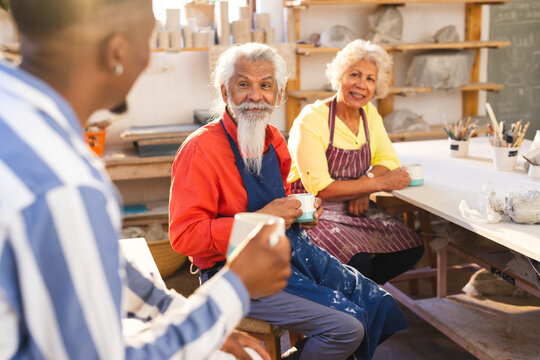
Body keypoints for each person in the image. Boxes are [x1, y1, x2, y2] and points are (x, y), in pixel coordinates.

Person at [0, 1, 292, 359]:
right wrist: (236, 286)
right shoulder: (65, 185)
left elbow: (111, 269)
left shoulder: (13, 110)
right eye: (149, 39)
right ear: (117, 50)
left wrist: (200, 322)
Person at [169, 42, 408, 360]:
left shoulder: (273, 139)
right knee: (347, 327)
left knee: (380, 305)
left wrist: (299, 212)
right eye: (244, 85)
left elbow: (280, 203)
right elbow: (185, 237)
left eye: (265, 85)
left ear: (278, 95)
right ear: (226, 93)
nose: (255, 96)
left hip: (286, 255)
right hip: (234, 273)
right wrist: (262, 220)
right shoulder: (200, 149)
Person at [287, 39, 424, 285]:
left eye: (370, 79)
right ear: (340, 76)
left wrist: (366, 183)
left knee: (410, 247)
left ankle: (358, 297)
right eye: (355, 75)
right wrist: (377, 184)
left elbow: (388, 158)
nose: (361, 85)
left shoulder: (369, 114)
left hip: (354, 208)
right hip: (313, 214)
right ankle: (353, 304)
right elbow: (322, 188)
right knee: (358, 261)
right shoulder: (311, 119)